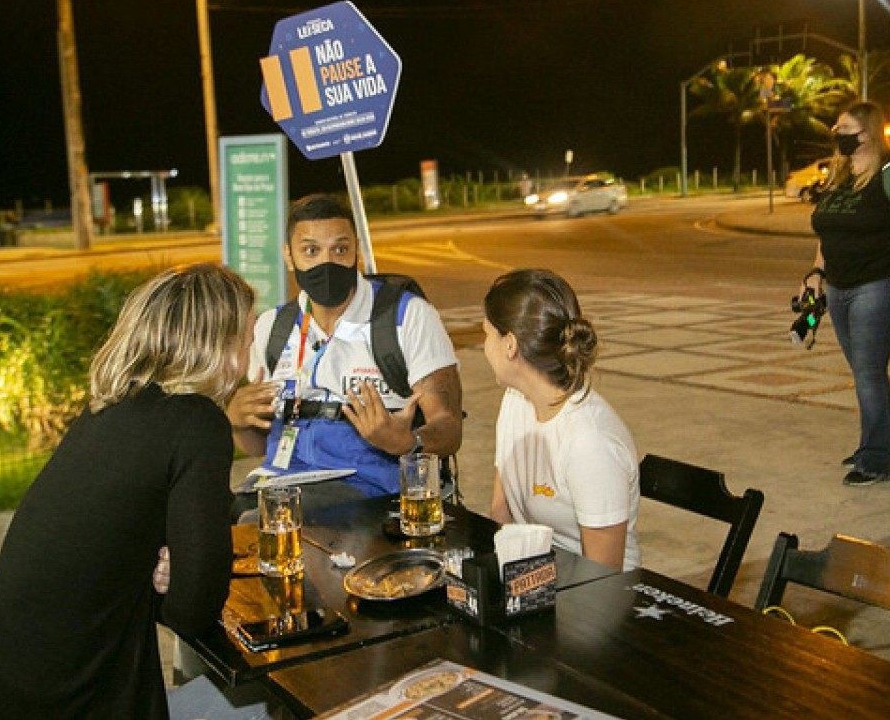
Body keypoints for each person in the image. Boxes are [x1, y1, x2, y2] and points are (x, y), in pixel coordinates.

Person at [0, 263, 262, 719]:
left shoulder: (106, 413)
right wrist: (176, 580)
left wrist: (167, 575)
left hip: (15, 699)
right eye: (247, 335)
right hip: (85, 705)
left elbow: (110, 555)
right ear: (219, 344)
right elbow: (194, 612)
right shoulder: (196, 423)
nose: (250, 347)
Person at [227, 193, 463, 513]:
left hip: (371, 487)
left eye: (340, 249)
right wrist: (239, 421)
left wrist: (407, 442)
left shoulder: (407, 317)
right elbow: (257, 445)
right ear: (288, 255)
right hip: (281, 480)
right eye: (310, 250)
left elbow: (449, 429)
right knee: (204, 520)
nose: (327, 262)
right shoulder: (272, 327)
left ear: (357, 252)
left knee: (259, 523)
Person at [801, 101, 890, 487]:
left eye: (843, 127)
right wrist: (815, 273)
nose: (836, 133)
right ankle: (887, 442)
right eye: (836, 127)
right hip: (840, 286)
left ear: (867, 132)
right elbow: (829, 234)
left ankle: (875, 458)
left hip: (883, 283)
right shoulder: (840, 176)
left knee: (867, 370)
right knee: (866, 369)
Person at [483, 268, 640, 571]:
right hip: (535, 579)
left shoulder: (590, 443)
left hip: (595, 598)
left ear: (510, 345)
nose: (484, 347)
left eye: (487, 334)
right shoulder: (515, 402)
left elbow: (602, 578)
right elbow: (501, 513)